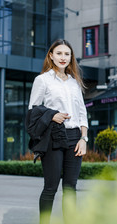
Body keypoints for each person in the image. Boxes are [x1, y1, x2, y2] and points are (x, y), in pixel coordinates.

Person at [27, 39, 89, 224]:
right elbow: (33, 110)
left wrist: (84, 138)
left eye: (67, 54)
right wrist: (52, 115)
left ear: (71, 58)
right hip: (53, 136)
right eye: (59, 53)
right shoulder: (42, 80)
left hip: (75, 137)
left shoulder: (74, 82)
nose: (63, 57)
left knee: (71, 187)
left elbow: (82, 112)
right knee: (51, 187)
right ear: (51, 56)